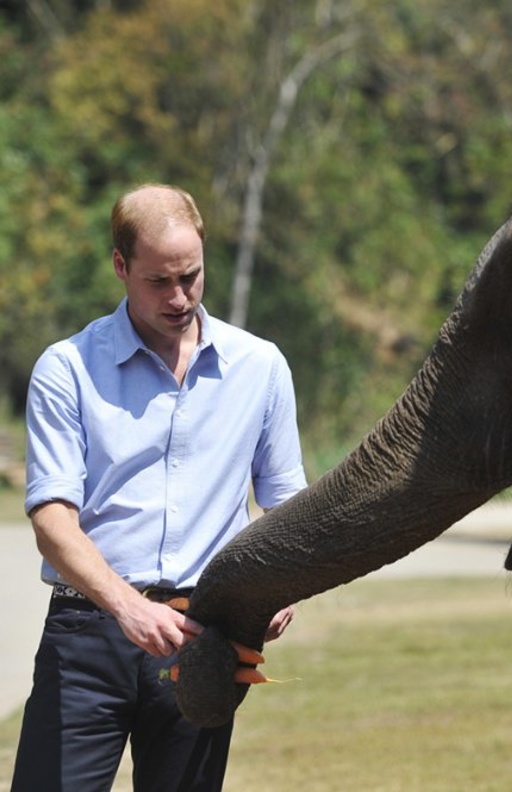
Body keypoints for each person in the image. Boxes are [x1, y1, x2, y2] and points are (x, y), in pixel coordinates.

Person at [11, 183, 307, 791]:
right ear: (120, 266)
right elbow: (51, 521)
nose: (180, 297)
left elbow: (286, 506)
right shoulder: (66, 369)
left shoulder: (261, 367)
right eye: (158, 281)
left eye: (191, 276)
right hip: (87, 634)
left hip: (203, 638)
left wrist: (285, 586)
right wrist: (127, 607)